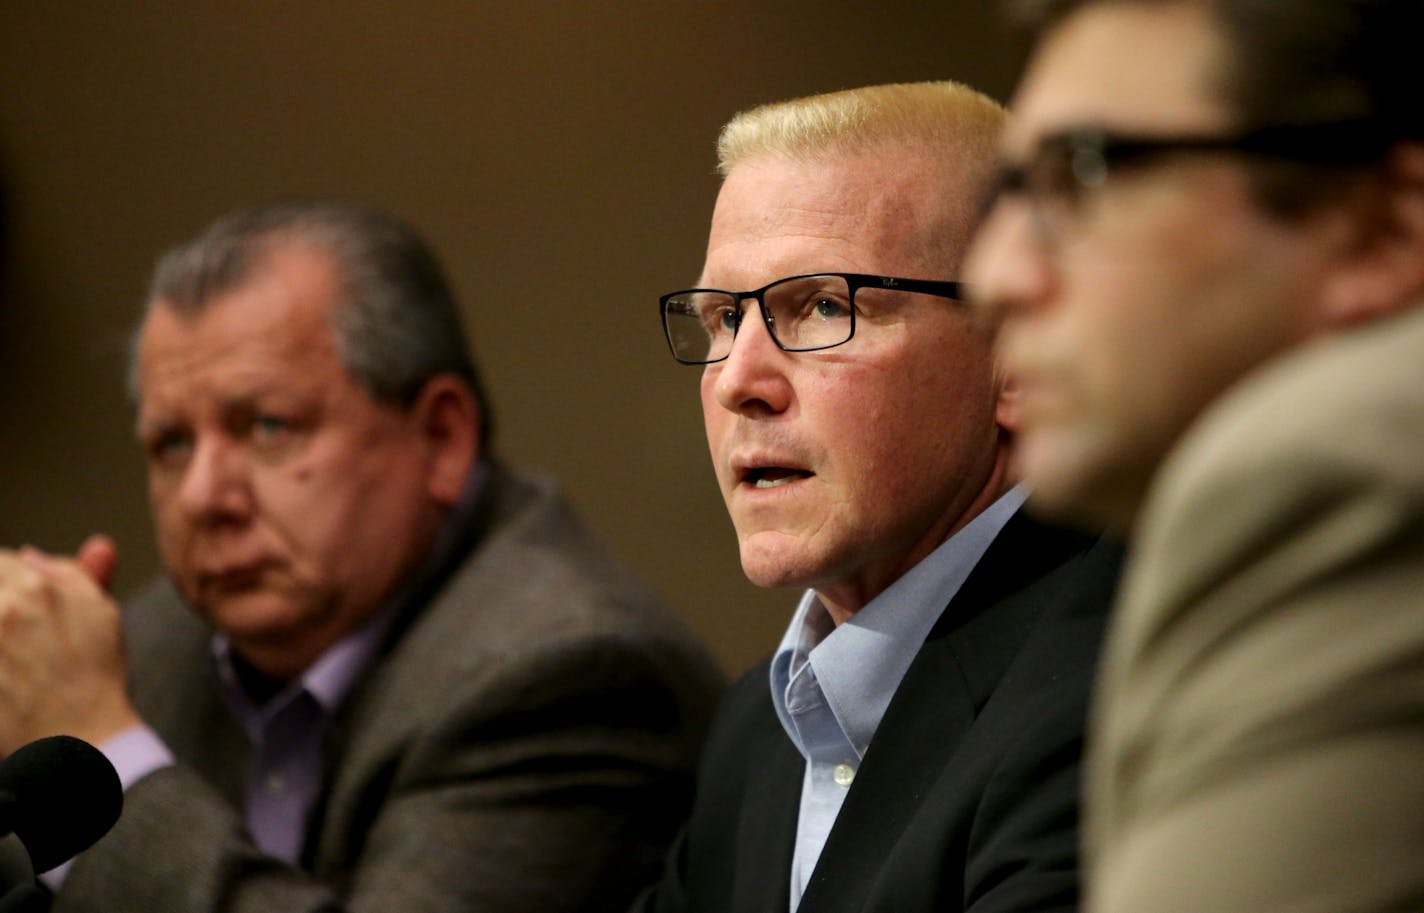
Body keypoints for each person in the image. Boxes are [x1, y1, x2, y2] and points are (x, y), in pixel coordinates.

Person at [0, 201, 725, 913]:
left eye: (269, 426)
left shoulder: (569, 674)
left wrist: (97, 745)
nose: (201, 496)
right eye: (172, 444)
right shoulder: (157, 640)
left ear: (440, 439)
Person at [967, 1, 1424, 911]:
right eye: (1007, 196)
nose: (993, 277)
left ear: (1379, 230)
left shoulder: (1335, 470)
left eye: (1084, 174)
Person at [639, 82, 1123, 913]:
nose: (739, 383)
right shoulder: (756, 727)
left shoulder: (1110, 677)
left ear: (1012, 350)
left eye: (823, 304)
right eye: (723, 319)